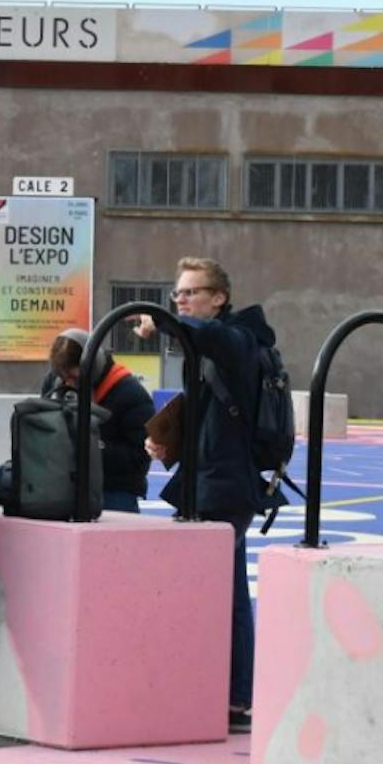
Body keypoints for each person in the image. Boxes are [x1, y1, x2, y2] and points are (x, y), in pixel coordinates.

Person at [132, 257, 277, 735]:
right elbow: (211, 416)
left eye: (191, 294)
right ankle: (232, 695)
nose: (183, 301)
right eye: (178, 296)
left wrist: (169, 322)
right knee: (226, 594)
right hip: (212, 484)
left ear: (219, 297)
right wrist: (168, 441)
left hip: (225, 487)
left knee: (218, 595)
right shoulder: (220, 348)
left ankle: (232, 695)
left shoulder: (238, 340)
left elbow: (209, 336)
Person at [39, 328, 154, 512]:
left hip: (115, 489)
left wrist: (92, 446)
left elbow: (141, 455)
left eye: (74, 378)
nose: (68, 384)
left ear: (90, 367)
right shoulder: (54, 382)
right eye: (63, 377)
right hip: (65, 484)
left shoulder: (130, 393)